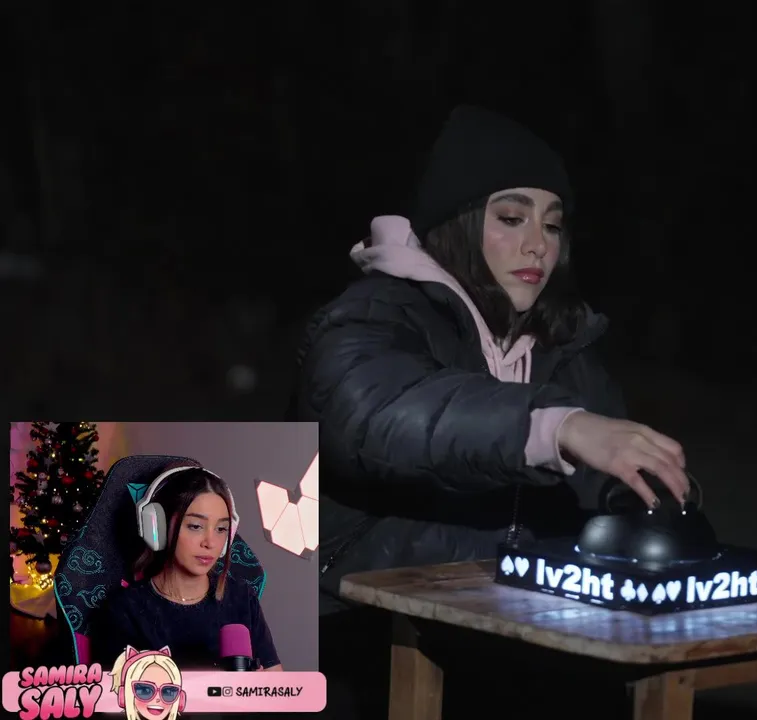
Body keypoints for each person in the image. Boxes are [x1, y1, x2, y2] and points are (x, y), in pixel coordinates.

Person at [293, 105, 687, 715]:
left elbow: (603, 494)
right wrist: (557, 427)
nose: (538, 244)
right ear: (457, 221)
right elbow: (379, 416)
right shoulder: (372, 314)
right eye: (511, 218)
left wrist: (647, 507)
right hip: (354, 639)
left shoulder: (564, 346)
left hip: (506, 640)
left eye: (552, 226)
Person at [93, 465, 282, 671]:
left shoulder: (242, 599)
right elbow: (116, 689)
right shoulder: (125, 610)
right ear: (158, 527)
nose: (210, 542)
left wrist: (259, 686)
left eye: (221, 529)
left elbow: (275, 678)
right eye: (195, 526)